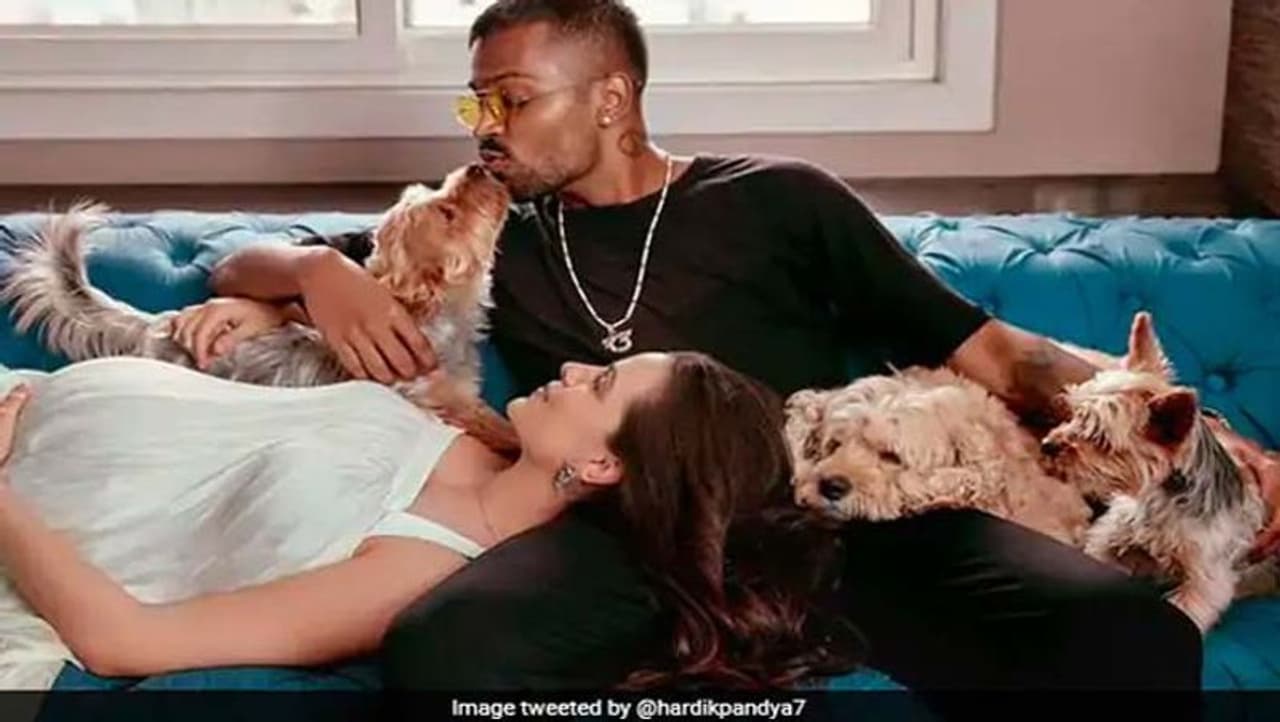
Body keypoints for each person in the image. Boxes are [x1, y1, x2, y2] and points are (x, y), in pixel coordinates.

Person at [184, 0, 1280, 700]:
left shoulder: (777, 199)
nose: (487, 127)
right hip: (627, 533)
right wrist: (315, 270)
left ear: (611, 98)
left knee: (1132, 640)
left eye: (513, 99)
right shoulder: (493, 227)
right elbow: (233, 264)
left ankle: (788, 642)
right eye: (477, 102)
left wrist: (1194, 437)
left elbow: (996, 355)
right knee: (443, 656)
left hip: (835, 519)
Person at [0, 351, 851, 690]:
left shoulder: (412, 571)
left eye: (598, 385)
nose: (569, 366)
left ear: (602, 467)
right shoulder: (471, 438)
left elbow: (126, 641)